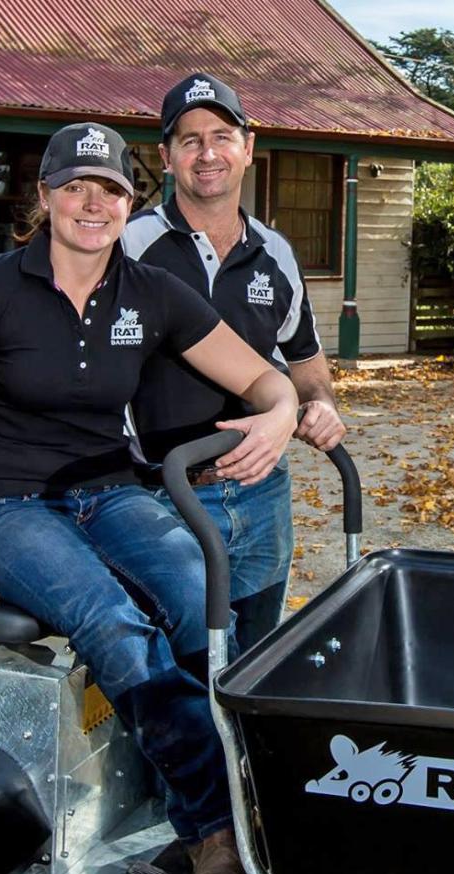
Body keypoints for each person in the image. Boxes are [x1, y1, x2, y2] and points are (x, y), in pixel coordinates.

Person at [0, 121, 297, 874]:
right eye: (76, 187)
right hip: (12, 508)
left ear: (130, 201)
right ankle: (214, 829)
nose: (93, 203)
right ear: (46, 195)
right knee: (113, 622)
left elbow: (266, 380)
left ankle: (229, 793)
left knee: (200, 598)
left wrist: (283, 415)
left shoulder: (148, 291)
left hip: (113, 493)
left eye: (110, 189)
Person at [123, 73, 346, 651]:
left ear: (248, 147)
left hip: (261, 490)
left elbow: (306, 361)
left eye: (221, 136)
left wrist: (320, 405)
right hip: (161, 492)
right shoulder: (128, 248)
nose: (207, 153)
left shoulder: (276, 253)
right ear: (166, 157)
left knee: (253, 654)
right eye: (190, 139)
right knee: (172, 658)